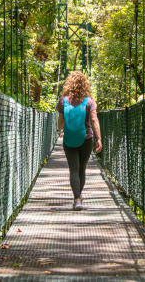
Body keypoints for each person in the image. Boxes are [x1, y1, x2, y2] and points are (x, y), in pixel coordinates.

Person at [56, 71, 102, 211]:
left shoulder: (63, 101)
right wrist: (99, 138)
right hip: (86, 138)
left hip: (69, 138)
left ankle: (77, 198)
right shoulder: (89, 101)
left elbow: (61, 119)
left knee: (73, 169)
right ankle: (78, 198)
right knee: (82, 168)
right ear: (85, 84)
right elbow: (94, 120)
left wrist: (59, 131)